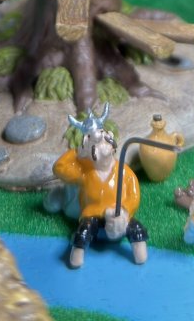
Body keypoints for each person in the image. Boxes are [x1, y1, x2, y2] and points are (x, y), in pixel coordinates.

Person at [52, 105, 148, 269]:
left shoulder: (124, 171)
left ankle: (140, 254)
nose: (102, 145)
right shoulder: (84, 173)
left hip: (118, 214)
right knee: (84, 231)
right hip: (92, 215)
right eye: (96, 145)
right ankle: (77, 256)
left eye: (105, 139)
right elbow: (59, 168)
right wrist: (77, 152)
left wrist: (124, 211)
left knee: (136, 228)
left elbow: (134, 195)